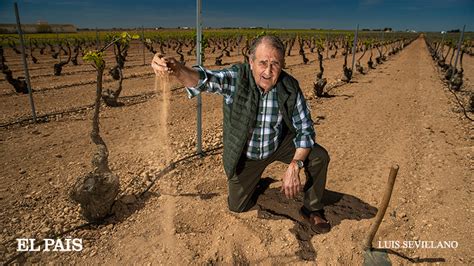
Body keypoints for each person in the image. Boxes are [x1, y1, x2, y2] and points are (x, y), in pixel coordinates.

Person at [151, 35, 331, 234]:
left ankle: (312, 208)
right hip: (247, 154)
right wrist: (177, 68)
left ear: (282, 65)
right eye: (263, 63)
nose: (268, 71)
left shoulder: (290, 86)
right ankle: (256, 181)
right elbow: (205, 79)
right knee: (238, 206)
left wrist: (295, 165)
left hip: (278, 143)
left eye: (275, 64)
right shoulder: (237, 78)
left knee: (318, 156)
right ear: (251, 62)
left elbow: (305, 129)